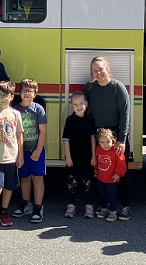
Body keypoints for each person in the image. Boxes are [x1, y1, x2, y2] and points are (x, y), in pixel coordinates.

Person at [83, 56, 132, 220]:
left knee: (121, 171)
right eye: (94, 70)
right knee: (101, 170)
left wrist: (122, 140)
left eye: (100, 69)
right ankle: (104, 206)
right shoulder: (89, 87)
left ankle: (125, 206)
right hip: (98, 135)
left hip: (116, 134)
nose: (98, 73)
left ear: (107, 68)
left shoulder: (118, 88)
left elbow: (125, 115)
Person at [0, 81, 23, 233]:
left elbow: (19, 135)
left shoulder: (15, 113)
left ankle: (4, 212)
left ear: (12, 97)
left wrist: (20, 156)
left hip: (11, 158)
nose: (2, 98)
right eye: (0, 95)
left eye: (6, 95)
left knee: (9, 186)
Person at [12, 78, 48, 223]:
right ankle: (26, 203)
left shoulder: (38, 109)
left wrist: (38, 150)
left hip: (36, 150)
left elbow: (43, 131)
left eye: (30, 91)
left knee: (38, 178)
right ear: (19, 93)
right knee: (25, 178)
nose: (27, 93)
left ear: (35, 93)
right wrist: (19, 154)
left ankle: (38, 207)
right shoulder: (15, 110)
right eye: (24, 90)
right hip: (22, 151)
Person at [62, 91, 97, 219]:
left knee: (88, 182)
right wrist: (68, 157)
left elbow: (93, 138)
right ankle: (71, 207)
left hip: (87, 157)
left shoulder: (90, 119)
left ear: (86, 104)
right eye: (75, 104)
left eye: (81, 103)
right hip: (74, 157)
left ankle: (89, 207)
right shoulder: (70, 120)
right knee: (72, 183)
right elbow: (66, 139)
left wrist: (94, 156)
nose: (79, 106)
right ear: (72, 106)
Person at [94, 128, 126, 222]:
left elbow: (121, 164)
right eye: (102, 142)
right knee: (102, 194)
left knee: (111, 195)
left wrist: (118, 174)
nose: (106, 144)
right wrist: (95, 170)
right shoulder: (98, 150)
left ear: (113, 140)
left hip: (112, 179)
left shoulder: (116, 150)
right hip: (101, 178)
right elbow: (96, 161)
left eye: (108, 141)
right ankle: (104, 208)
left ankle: (113, 212)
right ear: (99, 142)